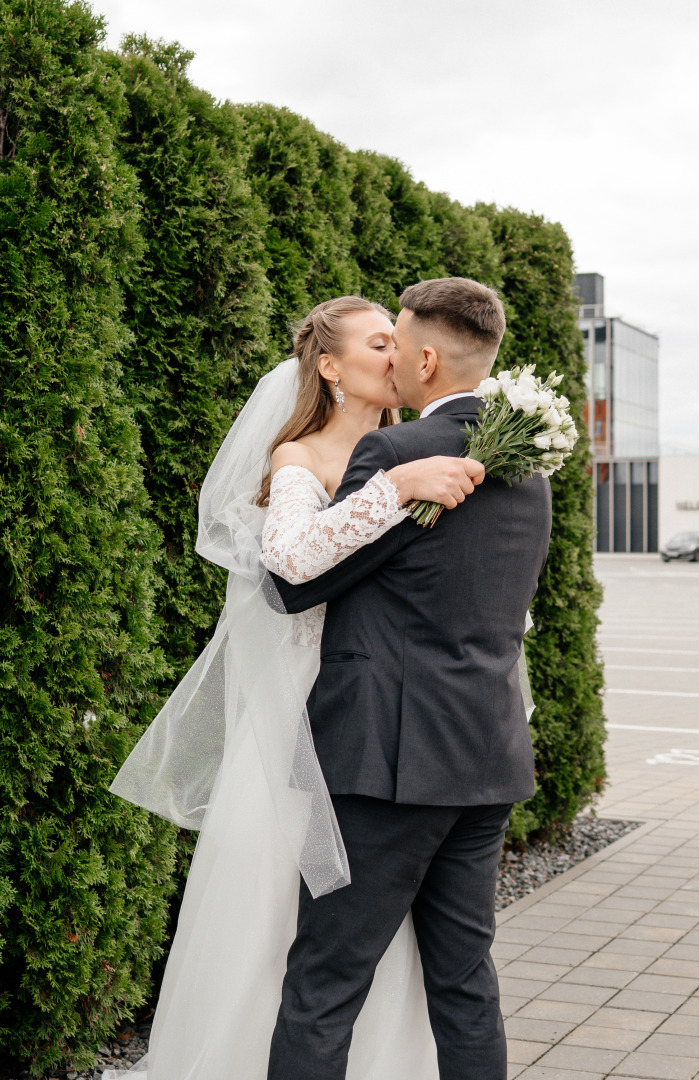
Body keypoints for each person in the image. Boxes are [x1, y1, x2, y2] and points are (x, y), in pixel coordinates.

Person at [106, 294, 487, 1080]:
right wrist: (396, 487)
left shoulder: (413, 445)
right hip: (307, 713)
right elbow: (287, 560)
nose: (398, 353)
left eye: (400, 339)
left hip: (394, 720)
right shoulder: (303, 457)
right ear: (329, 366)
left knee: (384, 935)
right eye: (380, 340)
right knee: (284, 921)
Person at [265, 277, 552, 1080]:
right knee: (464, 984)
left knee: (324, 986)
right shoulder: (532, 469)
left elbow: (292, 584)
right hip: (486, 756)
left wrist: (389, 488)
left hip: (386, 764)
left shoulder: (392, 453)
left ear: (426, 357)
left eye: (397, 339)